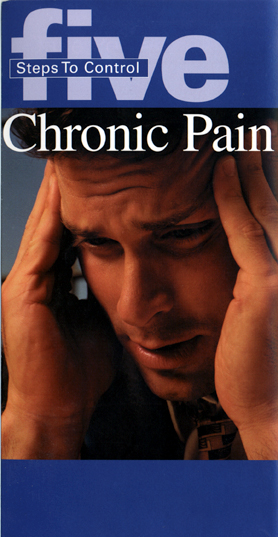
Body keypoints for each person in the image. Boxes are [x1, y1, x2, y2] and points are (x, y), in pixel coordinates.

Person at [2, 108, 278, 459]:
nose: (134, 309)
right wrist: (39, 426)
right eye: (99, 243)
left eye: (184, 234)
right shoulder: (52, 384)